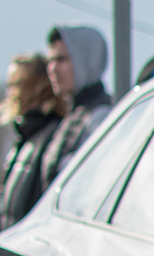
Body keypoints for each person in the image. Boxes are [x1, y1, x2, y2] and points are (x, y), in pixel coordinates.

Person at [0, 53, 62, 240]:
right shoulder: (26, 137)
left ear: (36, 88)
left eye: (15, 84)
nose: (9, 92)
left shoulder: (51, 136)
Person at [38, 27, 112, 189]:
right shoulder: (73, 115)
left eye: (61, 59)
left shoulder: (101, 116)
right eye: (50, 60)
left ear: (86, 60)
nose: (52, 69)